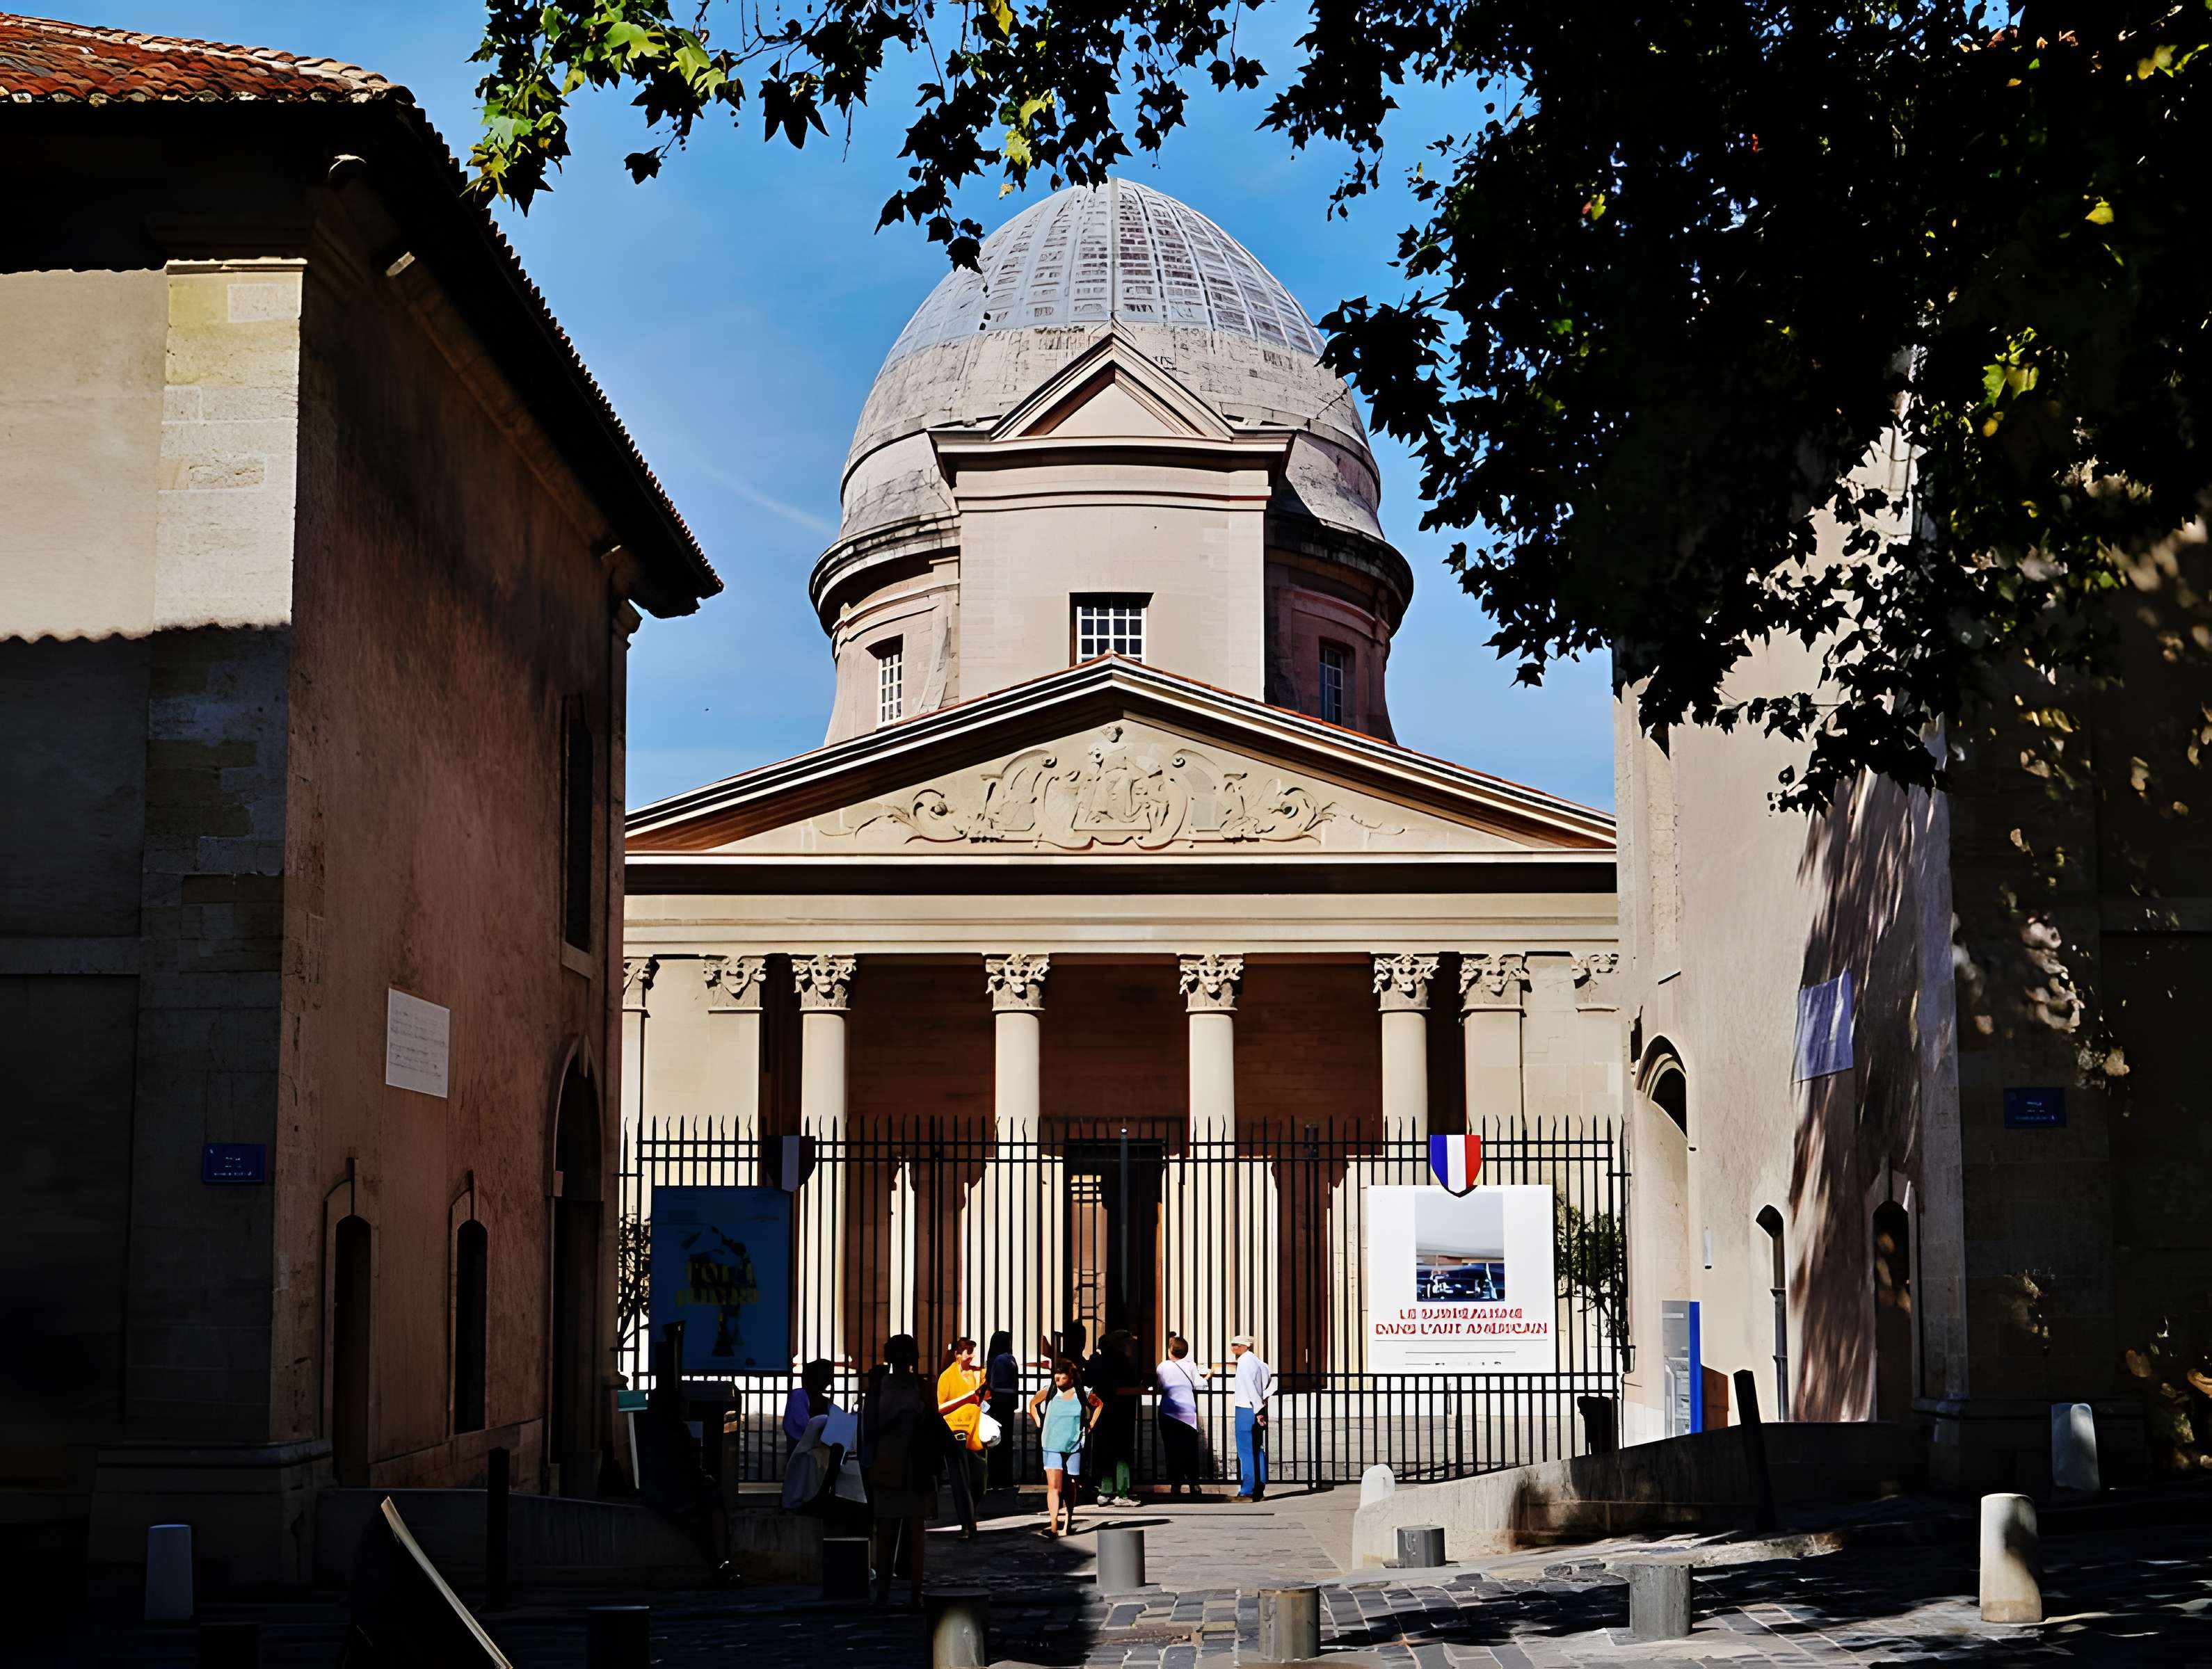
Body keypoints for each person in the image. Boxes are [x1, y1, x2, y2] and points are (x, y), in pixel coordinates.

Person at [860, 1334, 943, 1606]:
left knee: (896, 1531)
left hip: (903, 1464)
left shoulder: (885, 1389)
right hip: (901, 1463)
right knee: (901, 1531)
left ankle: (895, 1592)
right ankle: (902, 1592)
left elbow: (869, 1429)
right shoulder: (916, 1387)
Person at [1027, 1357, 1100, 1538]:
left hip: (1074, 1443)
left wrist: (1091, 1424)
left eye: (1063, 1376)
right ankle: (1053, 1525)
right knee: (1054, 1486)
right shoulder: (1049, 1391)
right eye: (1056, 1375)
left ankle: (1067, 1523)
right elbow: (1033, 1404)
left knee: (1070, 1484)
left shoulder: (1083, 1393)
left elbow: (1099, 1405)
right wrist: (1038, 1421)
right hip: (1051, 1442)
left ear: (1072, 1377)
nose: (1058, 1379)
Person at [936, 1335, 988, 1539]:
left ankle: (970, 1514)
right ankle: (967, 1523)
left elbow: (987, 1396)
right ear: (957, 1355)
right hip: (954, 1432)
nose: (972, 1356)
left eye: (973, 1351)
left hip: (977, 1432)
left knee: (979, 1480)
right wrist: (966, 1398)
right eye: (968, 1352)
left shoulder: (979, 1374)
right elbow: (940, 1407)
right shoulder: (947, 1377)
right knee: (960, 1481)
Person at [1090, 1330, 1144, 1506]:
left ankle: (1104, 1490)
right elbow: (1127, 1385)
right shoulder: (1124, 1362)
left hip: (1101, 1412)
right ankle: (1122, 1493)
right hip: (1121, 1412)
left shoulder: (1096, 1362)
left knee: (1104, 1451)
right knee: (1122, 1453)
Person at [1153, 1332, 1204, 1499]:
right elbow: (1200, 1384)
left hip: (1168, 1411)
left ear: (1170, 1351)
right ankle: (1194, 1484)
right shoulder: (1191, 1366)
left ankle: (1176, 1484)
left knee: (1172, 1449)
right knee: (1190, 1449)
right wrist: (1208, 1376)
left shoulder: (1162, 1367)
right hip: (1188, 1413)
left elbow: (1160, 1386)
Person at [1229, 1333, 1272, 1501]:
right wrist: (1262, 1408)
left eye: (1237, 1345)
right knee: (1257, 1449)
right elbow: (1268, 1385)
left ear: (1246, 1346)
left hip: (1246, 1408)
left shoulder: (1245, 1362)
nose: (1233, 1348)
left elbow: (1249, 1386)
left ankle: (1247, 1490)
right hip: (1256, 1407)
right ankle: (1259, 1486)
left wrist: (1258, 1408)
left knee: (1246, 1450)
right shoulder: (1259, 1362)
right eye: (1233, 1344)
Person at [984, 1330, 1021, 1492]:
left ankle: (998, 1477)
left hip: (1001, 1403)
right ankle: (1001, 1478)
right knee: (1002, 1442)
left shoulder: (1001, 1359)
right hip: (1004, 1404)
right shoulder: (1005, 1359)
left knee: (1000, 1442)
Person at [783, 1358, 836, 1450]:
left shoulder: (824, 1401)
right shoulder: (799, 1396)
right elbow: (802, 1425)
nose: (829, 1381)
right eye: (827, 1377)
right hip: (800, 1451)